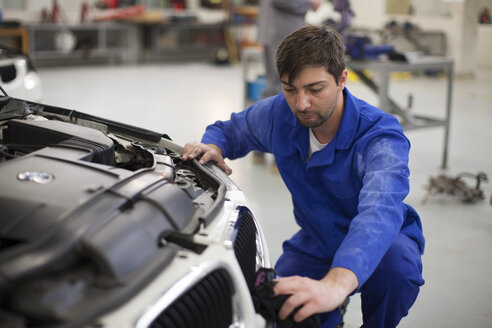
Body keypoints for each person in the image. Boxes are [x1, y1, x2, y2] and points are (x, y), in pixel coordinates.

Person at [182, 25, 425, 328]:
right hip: (317, 241)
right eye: (290, 89)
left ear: (342, 80)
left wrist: (335, 284)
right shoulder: (280, 115)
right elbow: (229, 130)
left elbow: (380, 211)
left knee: (398, 271)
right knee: (282, 307)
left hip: (381, 243)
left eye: (315, 89)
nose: (301, 104)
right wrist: (212, 146)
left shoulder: (380, 137)